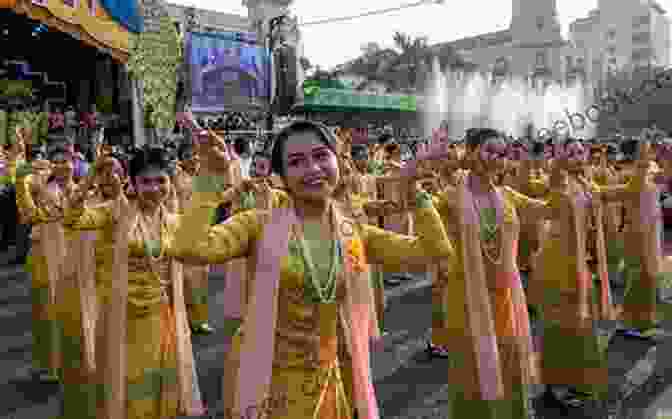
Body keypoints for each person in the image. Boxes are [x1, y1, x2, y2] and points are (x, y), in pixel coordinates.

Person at [172, 120, 455, 419]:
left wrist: (413, 189)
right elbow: (188, 249)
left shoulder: (353, 231)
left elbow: (432, 252)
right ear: (280, 177)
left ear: (337, 160)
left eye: (321, 156)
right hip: (265, 383)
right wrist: (211, 178)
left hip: (325, 381)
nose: (313, 169)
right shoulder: (258, 225)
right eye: (296, 162)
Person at [64, 145, 204, 419]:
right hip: (121, 318)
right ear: (134, 182)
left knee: (156, 387)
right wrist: (91, 175)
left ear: (169, 182)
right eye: (146, 181)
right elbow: (72, 219)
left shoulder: (173, 221)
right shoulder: (115, 213)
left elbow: (200, 242)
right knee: (122, 389)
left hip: (160, 317)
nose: (154, 188)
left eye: (160, 180)